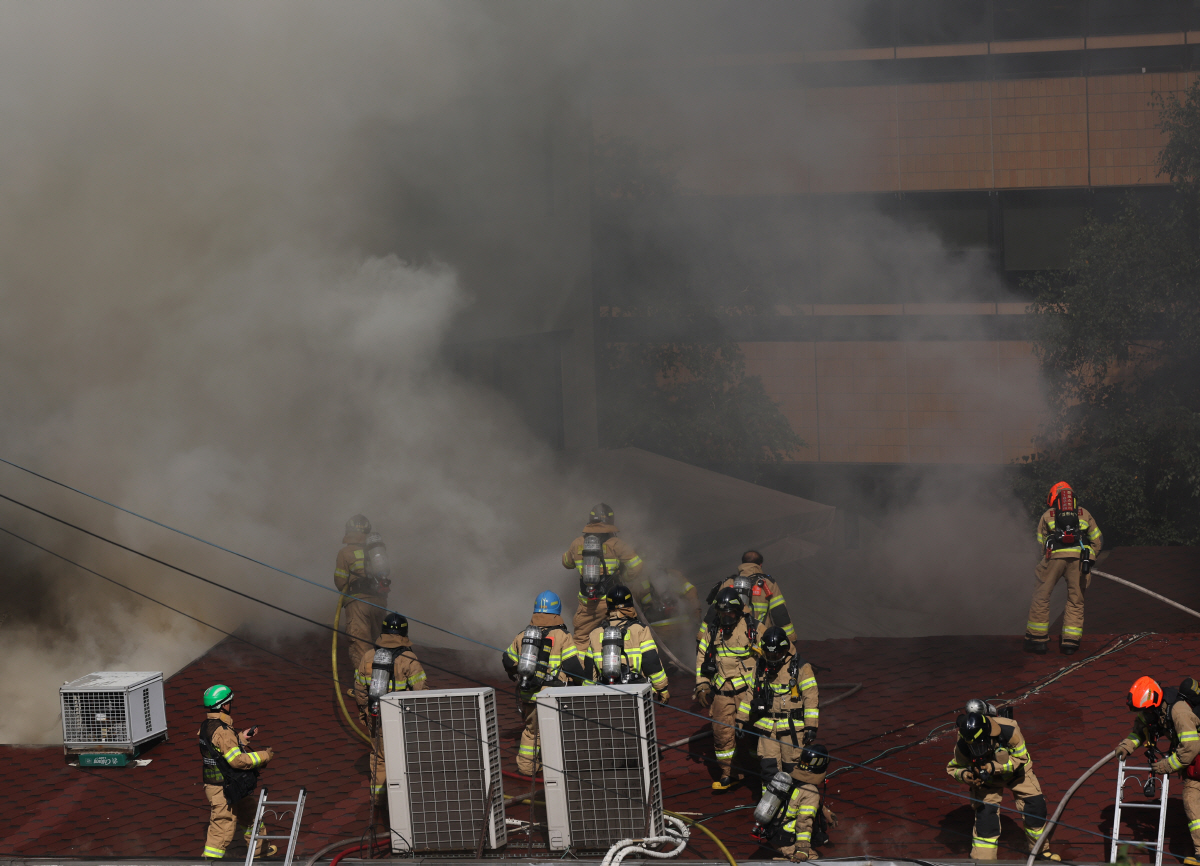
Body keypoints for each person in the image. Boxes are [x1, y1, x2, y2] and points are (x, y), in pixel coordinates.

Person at [946, 710, 1056, 860]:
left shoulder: (1009, 730)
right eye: (974, 748)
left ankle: (1040, 852)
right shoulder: (964, 744)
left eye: (980, 745)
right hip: (987, 781)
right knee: (986, 819)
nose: (977, 751)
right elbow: (954, 768)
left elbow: (1021, 758)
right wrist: (967, 776)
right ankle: (983, 862)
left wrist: (993, 767)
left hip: (1017, 774)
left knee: (1035, 807)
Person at [1116, 676, 1200, 864]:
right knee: (1192, 802)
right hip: (1195, 768)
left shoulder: (1178, 711)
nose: (1143, 714)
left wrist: (1166, 766)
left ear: (1152, 701)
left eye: (1143, 709)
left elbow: (1191, 747)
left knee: (1193, 799)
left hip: (1195, 758)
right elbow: (1140, 730)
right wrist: (1126, 746)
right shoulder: (1155, 710)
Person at [353, 613, 428, 801]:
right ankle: (401, 799)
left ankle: (379, 798)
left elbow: (360, 688)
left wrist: (364, 712)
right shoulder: (409, 658)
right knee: (403, 755)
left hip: (376, 716)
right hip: (401, 718)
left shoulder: (368, 656)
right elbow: (421, 692)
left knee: (379, 756)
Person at [502, 591, 577, 776]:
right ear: (557, 611)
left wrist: (515, 673)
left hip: (529, 693)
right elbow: (573, 666)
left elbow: (507, 659)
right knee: (556, 730)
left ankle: (527, 768)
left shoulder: (523, 635)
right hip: (553, 695)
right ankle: (557, 768)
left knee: (532, 732)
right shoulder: (563, 636)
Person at [198, 684, 277, 860]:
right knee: (222, 826)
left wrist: (241, 738)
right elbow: (236, 760)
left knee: (250, 815)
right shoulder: (223, 731)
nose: (231, 705)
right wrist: (264, 756)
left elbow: (219, 748)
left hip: (231, 783)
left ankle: (260, 851)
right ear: (224, 705)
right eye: (229, 702)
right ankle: (210, 861)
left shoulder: (208, 725)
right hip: (222, 787)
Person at [1023, 482, 1103, 655]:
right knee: (1076, 599)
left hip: (1053, 558)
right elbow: (1098, 540)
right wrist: (1090, 558)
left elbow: (1039, 545)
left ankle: (1038, 641)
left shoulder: (1048, 515)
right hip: (1079, 559)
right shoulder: (1084, 513)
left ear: (1053, 497)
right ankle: (1070, 643)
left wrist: (1043, 562)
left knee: (1042, 596)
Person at [695, 587, 758, 790]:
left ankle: (759, 771)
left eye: (730, 612)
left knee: (752, 732)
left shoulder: (753, 628)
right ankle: (729, 774)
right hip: (721, 692)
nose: (726, 617)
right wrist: (702, 684)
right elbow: (701, 658)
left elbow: (772, 657)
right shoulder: (712, 630)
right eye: (722, 613)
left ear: (738, 610)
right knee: (722, 734)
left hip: (747, 693)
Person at [736, 626, 819, 779]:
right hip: (768, 729)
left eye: (777, 654)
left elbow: (811, 699)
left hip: (792, 730)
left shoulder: (801, 667)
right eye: (769, 654)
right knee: (769, 769)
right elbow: (750, 694)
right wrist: (740, 719)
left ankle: (793, 802)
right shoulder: (760, 666)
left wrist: (811, 726)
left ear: (785, 650)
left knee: (792, 769)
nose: (772, 658)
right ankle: (771, 803)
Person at [562, 503, 644, 649]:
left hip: (588, 604)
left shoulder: (577, 543)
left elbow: (566, 563)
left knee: (581, 641)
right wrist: (625, 577)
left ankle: (580, 670)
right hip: (614, 602)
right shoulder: (616, 544)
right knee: (627, 637)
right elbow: (637, 565)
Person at [583, 584, 670, 703]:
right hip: (635, 692)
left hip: (605, 694)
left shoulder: (595, 633)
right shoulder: (640, 630)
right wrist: (662, 689)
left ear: (608, 606)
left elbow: (589, 671)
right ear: (630, 605)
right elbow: (651, 662)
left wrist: (587, 694)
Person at [699, 551, 795, 642]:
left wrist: (701, 636)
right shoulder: (767, 584)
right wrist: (790, 639)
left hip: (730, 639)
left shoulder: (728, 582)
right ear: (760, 565)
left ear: (743, 564)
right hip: (760, 638)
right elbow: (779, 613)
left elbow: (712, 612)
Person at [335, 515, 391, 667]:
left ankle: (365, 688)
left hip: (359, 603)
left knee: (361, 645)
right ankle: (384, 679)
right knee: (378, 643)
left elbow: (340, 582)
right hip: (379, 602)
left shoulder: (345, 552)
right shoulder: (375, 552)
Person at [778, 744, 835, 862]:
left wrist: (825, 811)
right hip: (787, 840)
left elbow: (799, 801)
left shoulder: (792, 778)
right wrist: (802, 850)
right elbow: (804, 820)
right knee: (813, 861)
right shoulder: (811, 792)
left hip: (774, 833)